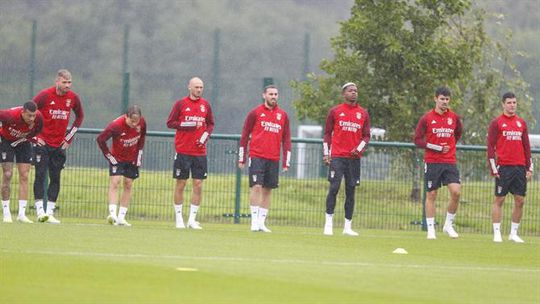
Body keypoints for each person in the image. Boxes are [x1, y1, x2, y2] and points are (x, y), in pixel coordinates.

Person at [32, 69, 84, 224]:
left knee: (56, 177)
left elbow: (80, 116)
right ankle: (40, 211)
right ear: (57, 81)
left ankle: (50, 212)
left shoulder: (73, 98)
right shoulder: (45, 95)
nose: (67, 85)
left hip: (59, 145)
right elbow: (29, 112)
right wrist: (34, 136)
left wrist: (68, 138)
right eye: (64, 82)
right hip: (42, 143)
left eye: (69, 82)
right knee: (40, 175)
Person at [238, 85, 291, 232]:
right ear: (264, 95)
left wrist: (286, 161)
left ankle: (262, 222)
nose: (273, 96)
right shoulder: (255, 113)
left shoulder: (283, 115)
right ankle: (254, 221)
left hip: (273, 158)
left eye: (276, 94)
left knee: (268, 190)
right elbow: (244, 135)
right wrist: (242, 158)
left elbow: (286, 139)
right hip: (256, 156)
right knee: (256, 186)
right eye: (271, 94)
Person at [322, 82, 371, 236]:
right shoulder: (335, 111)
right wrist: (326, 153)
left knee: (351, 191)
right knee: (334, 188)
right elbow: (327, 133)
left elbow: (366, 135)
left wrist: (359, 148)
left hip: (353, 159)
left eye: (356, 91)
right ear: (344, 94)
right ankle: (328, 223)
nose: (354, 93)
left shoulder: (363, 113)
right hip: (337, 157)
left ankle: (347, 227)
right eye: (351, 91)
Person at [414, 87, 462, 240]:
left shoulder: (454, 118)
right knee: (431, 194)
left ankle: (448, 225)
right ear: (435, 99)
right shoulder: (427, 118)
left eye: (447, 99)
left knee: (456, 192)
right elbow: (418, 140)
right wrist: (437, 147)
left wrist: (448, 148)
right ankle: (430, 229)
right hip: (433, 161)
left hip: (449, 161)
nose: (445, 102)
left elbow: (458, 133)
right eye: (442, 99)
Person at [167, 77, 214, 229]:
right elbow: (170, 123)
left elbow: (210, 124)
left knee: (198, 185)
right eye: (196, 87)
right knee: (181, 183)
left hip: (200, 152)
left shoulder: (205, 105)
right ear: (189, 87)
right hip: (183, 150)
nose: (199, 90)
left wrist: (205, 136)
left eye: (201, 87)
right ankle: (179, 218)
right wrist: (185, 125)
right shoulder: (180, 104)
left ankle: (192, 219)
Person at [487, 92, 533, 243]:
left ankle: (513, 233)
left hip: (519, 167)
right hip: (503, 167)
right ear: (503, 104)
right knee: (499, 199)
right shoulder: (497, 123)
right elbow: (491, 146)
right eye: (509, 102)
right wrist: (493, 167)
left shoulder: (521, 123)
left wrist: (529, 166)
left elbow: (526, 146)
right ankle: (497, 232)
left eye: (514, 102)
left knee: (520, 200)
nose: (512, 105)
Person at [97, 105, 146, 227]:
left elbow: (142, 138)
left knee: (128, 183)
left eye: (137, 121)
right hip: (117, 158)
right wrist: (109, 156)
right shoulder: (116, 126)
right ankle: (112, 215)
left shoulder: (142, 123)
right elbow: (100, 140)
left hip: (132, 157)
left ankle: (121, 217)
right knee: (115, 182)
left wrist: (138, 156)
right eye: (132, 121)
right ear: (126, 117)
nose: (135, 124)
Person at [0, 101, 43, 223]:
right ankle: (6, 213)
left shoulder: (38, 117)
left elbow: (37, 130)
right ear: (22, 112)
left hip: (23, 142)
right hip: (6, 141)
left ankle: (21, 214)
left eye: (33, 115)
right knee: (7, 175)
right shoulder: (9, 115)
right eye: (29, 115)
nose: (32, 118)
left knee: (24, 175)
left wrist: (29, 138)